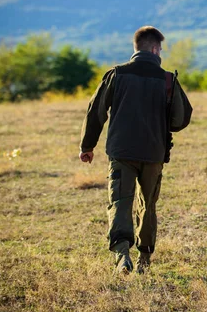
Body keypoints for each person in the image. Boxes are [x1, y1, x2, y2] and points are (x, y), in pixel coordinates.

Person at [79, 26, 192, 274]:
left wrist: (88, 146)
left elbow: (96, 111)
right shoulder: (167, 79)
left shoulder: (116, 75)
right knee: (148, 204)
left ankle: (122, 256)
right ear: (153, 49)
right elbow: (181, 119)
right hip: (153, 154)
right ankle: (144, 258)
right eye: (160, 49)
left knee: (119, 202)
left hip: (121, 152)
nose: (160, 53)